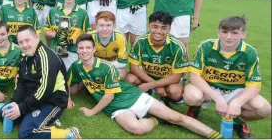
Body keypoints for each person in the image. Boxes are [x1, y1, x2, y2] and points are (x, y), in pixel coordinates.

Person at [67, 34, 224, 138]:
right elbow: (66, 83)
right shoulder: (77, 66)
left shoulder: (106, 67)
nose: (84, 51)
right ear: (77, 50)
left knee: (176, 117)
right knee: (136, 129)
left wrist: (92, 111)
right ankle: (157, 120)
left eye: (88, 47)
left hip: (132, 96)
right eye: (81, 48)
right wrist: (67, 99)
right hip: (115, 108)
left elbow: (109, 95)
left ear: (94, 49)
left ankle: (216, 136)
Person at [184, 16, 271, 139]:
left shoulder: (249, 52)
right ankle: (195, 108)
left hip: (234, 91)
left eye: (234, 33)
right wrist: (218, 99)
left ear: (243, 34)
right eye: (224, 32)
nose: (228, 37)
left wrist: (237, 102)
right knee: (191, 96)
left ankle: (238, 122)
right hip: (209, 88)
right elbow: (194, 76)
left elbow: (254, 86)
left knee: (265, 109)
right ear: (218, 32)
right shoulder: (206, 46)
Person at [0, 25, 80, 139]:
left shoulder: (47, 57)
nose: (24, 45)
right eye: (21, 42)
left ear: (37, 37)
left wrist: (21, 108)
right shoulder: (24, 55)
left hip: (53, 100)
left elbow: (45, 90)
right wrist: (15, 102)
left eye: (27, 40)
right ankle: (35, 118)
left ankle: (68, 133)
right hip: (34, 96)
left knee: (26, 134)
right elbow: (21, 81)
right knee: (3, 114)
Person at [125, 11, 187, 106]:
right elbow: (134, 68)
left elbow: (176, 77)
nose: (158, 31)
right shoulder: (140, 42)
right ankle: (149, 92)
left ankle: (165, 98)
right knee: (130, 79)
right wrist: (154, 85)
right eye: (155, 27)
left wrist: (152, 85)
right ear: (149, 26)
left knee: (175, 93)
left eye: (163, 28)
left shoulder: (178, 46)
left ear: (169, 29)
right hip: (147, 76)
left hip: (168, 80)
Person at [44, 0, 92, 69]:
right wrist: (57, 34)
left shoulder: (82, 13)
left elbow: (88, 34)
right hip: (56, 50)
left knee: (72, 80)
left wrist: (75, 40)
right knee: (56, 79)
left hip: (73, 52)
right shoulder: (53, 11)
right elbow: (46, 32)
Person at [90, 11, 128, 77]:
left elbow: (123, 63)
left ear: (114, 26)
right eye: (101, 25)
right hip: (96, 67)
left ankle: (117, 87)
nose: (105, 29)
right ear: (96, 26)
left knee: (121, 73)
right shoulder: (90, 37)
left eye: (108, 25)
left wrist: (104, 66)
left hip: (114, 66)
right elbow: (86, 60)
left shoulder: (120, 37)